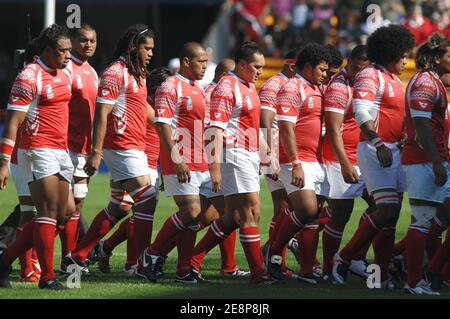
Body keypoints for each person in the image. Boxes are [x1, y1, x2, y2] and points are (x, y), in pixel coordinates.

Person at [62, 24, 157, 274]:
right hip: (121, 146)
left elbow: (142, 108)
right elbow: (101, 114)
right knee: (147, 200)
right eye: (146, 48)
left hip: (135, 145)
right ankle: (143, 263)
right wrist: (96, 152)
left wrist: (165, 124)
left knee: (121, 205)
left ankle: (79, 255)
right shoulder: (116, 72)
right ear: (133, 46)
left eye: (152, 49)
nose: (150, 53)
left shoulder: (138, 72)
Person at [332, 24, 415, 288]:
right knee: (386, 209)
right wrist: (378, 143)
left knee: (391, 218)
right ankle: (343, 257)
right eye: (403, 54)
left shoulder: (396, 80)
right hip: (375, 150)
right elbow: (361, 112)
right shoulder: (370, 75)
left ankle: (379, 277)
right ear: (391, 51)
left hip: (396, 151)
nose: (406, 60)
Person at [188, 41, 272, 284]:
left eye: (262, 67)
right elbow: (214, 130)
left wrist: (267, 157)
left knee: (232, 217)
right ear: (242, 64)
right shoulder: (227, 87)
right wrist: (214, 168)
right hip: (234, 154)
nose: (260, 71)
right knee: (251, 211)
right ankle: (259, 273)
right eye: (257, 66)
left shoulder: (248, 86)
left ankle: (192, 260)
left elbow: (254, 127)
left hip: (248, 154)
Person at [0, 24, 73, 289]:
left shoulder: (65, 73)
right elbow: (12, 121)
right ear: (46, 50)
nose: (67, 55)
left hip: (61, 149)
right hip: (37, 147)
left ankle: (4, 260)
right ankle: (47, 278)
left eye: (68, 50)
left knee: (66, 212)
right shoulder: (29, 76)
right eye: (62, 51)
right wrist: (4, 162)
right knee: (47, 210)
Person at [141, 42, 217, 284]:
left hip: (200, 160)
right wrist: (177, 160)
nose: (205, 67)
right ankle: (151, 253)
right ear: (186, 62)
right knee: (191, 212)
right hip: (179, 160)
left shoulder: (199, 89)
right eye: (201, 62)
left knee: (212, 214)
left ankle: (184, 270)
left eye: (206, 62)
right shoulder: (170, 86)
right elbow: (162, 125)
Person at [265, 43, 331, 284]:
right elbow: (285, 127)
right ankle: (272, 250)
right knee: (306, 210)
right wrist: (295, 163)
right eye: (322, 69)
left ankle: (306, 270)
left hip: (317, 159)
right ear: (306, 66)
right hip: (296, 159)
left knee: (316, 217)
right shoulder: (292, 87)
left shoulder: (318, 88)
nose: (325, 74)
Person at [97, 67, 169, 275]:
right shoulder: (144, 106)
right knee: (133, 208)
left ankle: (107, 249)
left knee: (131, 210)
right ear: (155, 90)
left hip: (146, 162)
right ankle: (131, 262)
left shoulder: (159, 108)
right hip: (136, 160)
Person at [401, 33, 450, 295]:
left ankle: (428, 269)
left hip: (434, 159)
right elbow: (420, 124)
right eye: (449, 56)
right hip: (424, 161)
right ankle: (414, 280)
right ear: (435, 58)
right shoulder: (424, 82)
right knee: (421, 220)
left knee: (435, 217)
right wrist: (435, 161)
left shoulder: (432, 82)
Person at [322, 45, 375, 279]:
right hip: (340, 157)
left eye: (363, 69)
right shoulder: (338, 86)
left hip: (363, 155)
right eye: (355, 67)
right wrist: (344, 163)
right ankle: (329, 269)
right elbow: (333, 129)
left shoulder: (367, 82)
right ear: (348, 61)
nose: (358, 73)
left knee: (382, 207)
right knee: (341, 214)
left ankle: (352, 256)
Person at [60, 24, 99, 272]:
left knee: (78, 203)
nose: (88, 44)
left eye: (93, 40)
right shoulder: (66, 70)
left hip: (85, 149)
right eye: (83, 40)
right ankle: (63, 258)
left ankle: (70, 259)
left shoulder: (93, 72)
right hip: (66, 148)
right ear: (73, 42)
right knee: (63, 208)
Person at [258, 49, 297, 274]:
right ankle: (275, 260)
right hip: (275, 152)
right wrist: (268, 155)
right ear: (292, 66)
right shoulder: (275, 85)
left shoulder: (294, 85)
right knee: (283, 207)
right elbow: (265, 120)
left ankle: (271, 251)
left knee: (293, 208)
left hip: (287, 152)